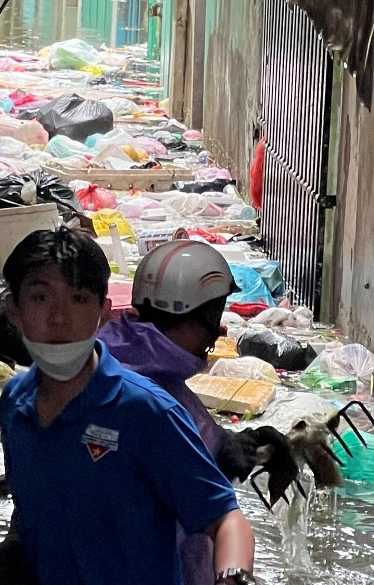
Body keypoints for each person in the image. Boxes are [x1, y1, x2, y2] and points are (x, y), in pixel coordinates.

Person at [0, 227, 256, 585]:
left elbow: (225, 518)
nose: (59, 318)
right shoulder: (15, 404)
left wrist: (234, 577)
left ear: (104, 312)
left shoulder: (147, 410)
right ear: (13, 310)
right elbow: (35, 506)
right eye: (39, 298)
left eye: (79, 298)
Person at [98, 239, 295, 585]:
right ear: (186, 313)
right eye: (213, 316)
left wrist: (236, 445)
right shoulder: (142, 394)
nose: (219, 330)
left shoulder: (129, 364)